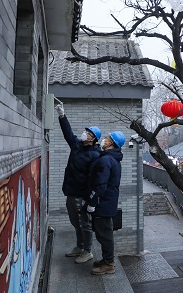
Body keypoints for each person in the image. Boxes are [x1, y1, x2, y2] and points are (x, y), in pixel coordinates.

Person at [55, 103, 102, 264]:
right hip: (70, 191)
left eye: (88, 133)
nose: (85, 133)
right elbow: (67, 133)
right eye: (85, 131)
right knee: (75, 222)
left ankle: (87, 251)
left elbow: (93, 179)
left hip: (82, 195)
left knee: (85, 223)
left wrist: (88, 198)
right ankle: (79, 246)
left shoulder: (95, 155)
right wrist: (62, 115)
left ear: (93, 139)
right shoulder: (77, 146)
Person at [84, 131, 125, 275]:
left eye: (108, 138)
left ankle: (109, 264)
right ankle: (106, 260)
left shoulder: (106, 160)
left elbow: (100, 184)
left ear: (112, 144)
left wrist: (92, 202)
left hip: (103, 204)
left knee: (105, 235)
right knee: (103, 233)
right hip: (107, 202)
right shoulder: (111, 159)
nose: (105, 140)